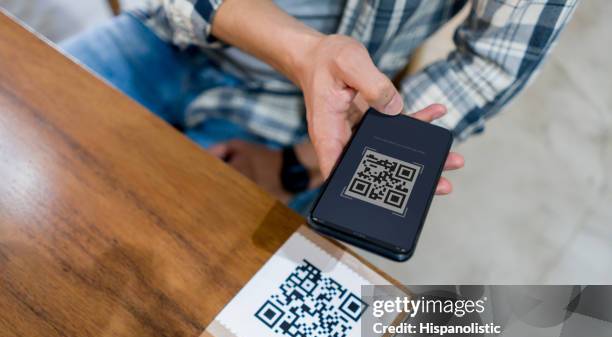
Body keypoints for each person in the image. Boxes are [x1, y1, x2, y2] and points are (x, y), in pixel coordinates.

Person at [61, 0, 577, 210]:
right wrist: (304, 50)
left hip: (306, 123)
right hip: (165, 38)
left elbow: (491, 62)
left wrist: (299, 165)